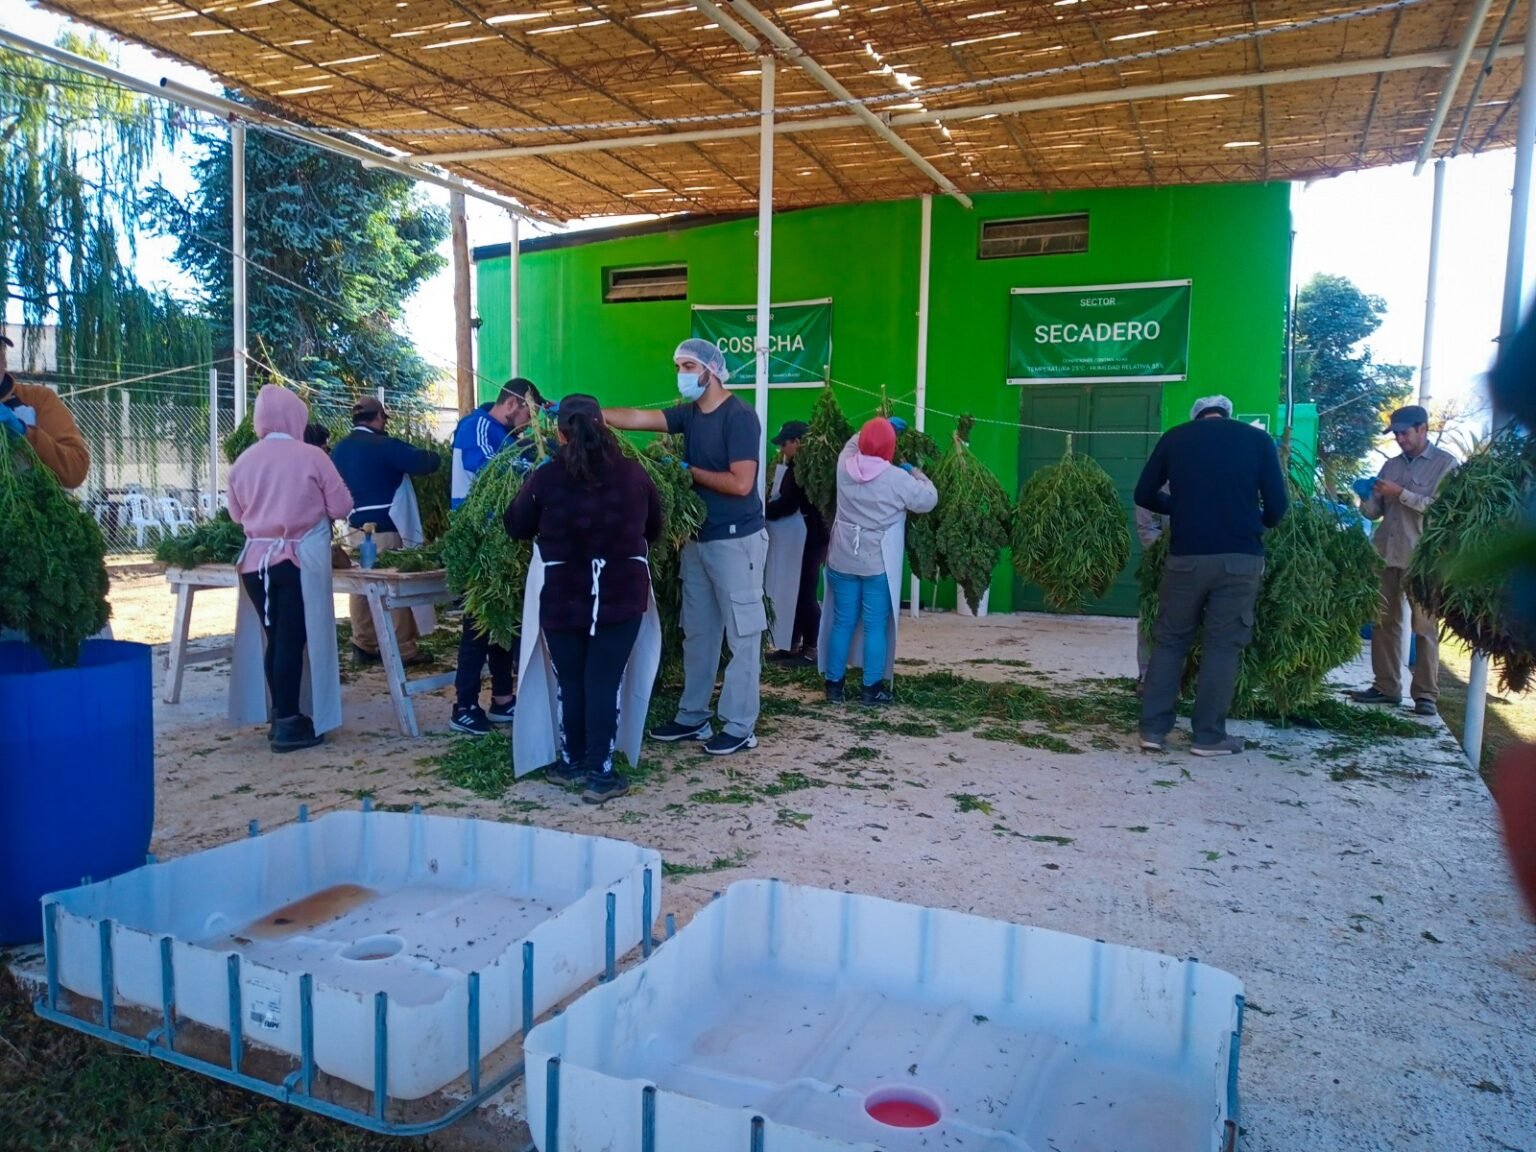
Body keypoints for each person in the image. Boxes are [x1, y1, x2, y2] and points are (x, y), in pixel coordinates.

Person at [603, 339, 766, 756]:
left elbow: (741, 483)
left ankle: (740, 725)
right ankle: (693, 716)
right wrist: (591, 413)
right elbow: (638, 417)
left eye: (688, 366)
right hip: (698, 540)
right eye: (678, 366)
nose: (682, 374)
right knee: (699, 633)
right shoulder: (689, 414)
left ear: (711, 370)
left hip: (736, 540)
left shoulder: (739, 417)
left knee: (743, 634)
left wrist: (689, 471)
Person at [504, 395, 662, 803]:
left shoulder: (546, 478)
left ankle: (572, 761)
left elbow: (515, 525)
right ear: (604, 426)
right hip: (621, 593)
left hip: (563, 595)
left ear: (560, 434)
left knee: (571, 680)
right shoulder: (633, 475)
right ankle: (599, 774)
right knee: (604, 680)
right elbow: (655, 528)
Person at [1134, 394, 1288, 757]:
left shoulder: (1176, 437)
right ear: (1227, 415)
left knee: (1170, 642)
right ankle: (1207, 737)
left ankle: (1153, 730)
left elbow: (1143, 493)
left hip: (1185, 557)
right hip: (1239, 559)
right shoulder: (1257, 440)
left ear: (1197, 416)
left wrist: (1178, 507)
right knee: (1222, 646)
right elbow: (1277, 507)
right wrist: (1253, 521)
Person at [226, 385, 353, 752]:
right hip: (296, 558)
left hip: (255, 562)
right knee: (291, 642)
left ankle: (280, 714)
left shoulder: (242, 462)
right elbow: (342, 506)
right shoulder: (312, 456)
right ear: (295, 417)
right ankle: (288, 722)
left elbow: (236, 515)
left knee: (275, 638)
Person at [449, 377, 546, 734]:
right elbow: (487, 467)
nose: (529, 424)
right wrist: (534, 466)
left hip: (502, 537)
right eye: (529, 415)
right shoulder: (476, 426)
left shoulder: (505, 434)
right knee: (477, 625)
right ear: (513, 404)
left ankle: (503, 698)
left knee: (503, 621)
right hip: (478, 539)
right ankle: (464, 705)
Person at [819, 417, 937, 705]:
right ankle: (871, 691)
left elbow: (852, 444)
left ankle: (834, 687)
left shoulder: (844, 466)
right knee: (874, 627)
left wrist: (877, 425)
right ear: (891, 447)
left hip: (842, 559)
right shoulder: (897, 478)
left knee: (842, 622)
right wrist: (915, 472)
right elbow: (929, 499)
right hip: (876, 564)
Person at [1349, 404, 1458, 717]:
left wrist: (1401, 493)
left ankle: (1425, 695)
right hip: (1386, 554)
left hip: (1423, 559)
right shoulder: (1391, 465)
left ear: (1423, 428)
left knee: (1424, 627)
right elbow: (1375, 513)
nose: (1399, 439)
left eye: (1404, 433)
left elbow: (1443, 511)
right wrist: (1366, 496)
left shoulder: (1445, 464)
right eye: (1395, 433)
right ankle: (1386, 687)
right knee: (1383, 622)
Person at [331, 396, 441, 666]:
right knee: (394, 585)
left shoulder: (341, 449)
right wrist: (432, 454)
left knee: (362, 584)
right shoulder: (384, 445)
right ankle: (403, 648)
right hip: (386, 527)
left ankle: (363, 643)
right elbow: (425, 463)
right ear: (379, 417)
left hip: (355, 527)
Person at [765, 419, 829, 667]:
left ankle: (811, 649)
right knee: (791, 592)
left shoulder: (807, 471)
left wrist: (763, 511)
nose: (782, 448)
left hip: (809, 539)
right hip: (796, 540)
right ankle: (790, 645)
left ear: (798, 442)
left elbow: (789, 504)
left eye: (785, 443)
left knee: (804, 594)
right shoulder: (794, 466)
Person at [0, 334, 89, 488]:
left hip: (28, 502)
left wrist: (26, 435)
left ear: (3, 359)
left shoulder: (39, 399)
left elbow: (75, 471)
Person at [1133, 502, 1167, 696]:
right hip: (1161, 564)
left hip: (1202, 563)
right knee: (1151, 619)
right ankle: (1147, 676)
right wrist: (1166, 552)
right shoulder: (1156, 489)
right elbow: (1147, 528)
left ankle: (1192, 678)